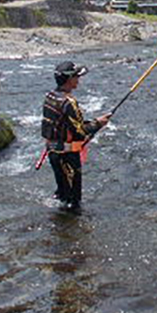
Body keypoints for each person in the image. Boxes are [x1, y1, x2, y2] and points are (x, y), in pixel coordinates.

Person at [41, 60, 111, 213]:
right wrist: (98, 124)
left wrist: (94, 123)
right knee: (74, 201)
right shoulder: (69, 102)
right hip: (68, 156)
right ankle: (69, 228)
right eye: (76, 77)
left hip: (53, 154)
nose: (78, 80)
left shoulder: (50, 97)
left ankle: (60, 225)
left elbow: (61, 124)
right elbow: (79, 132)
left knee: (62, 193)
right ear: (69, 79)